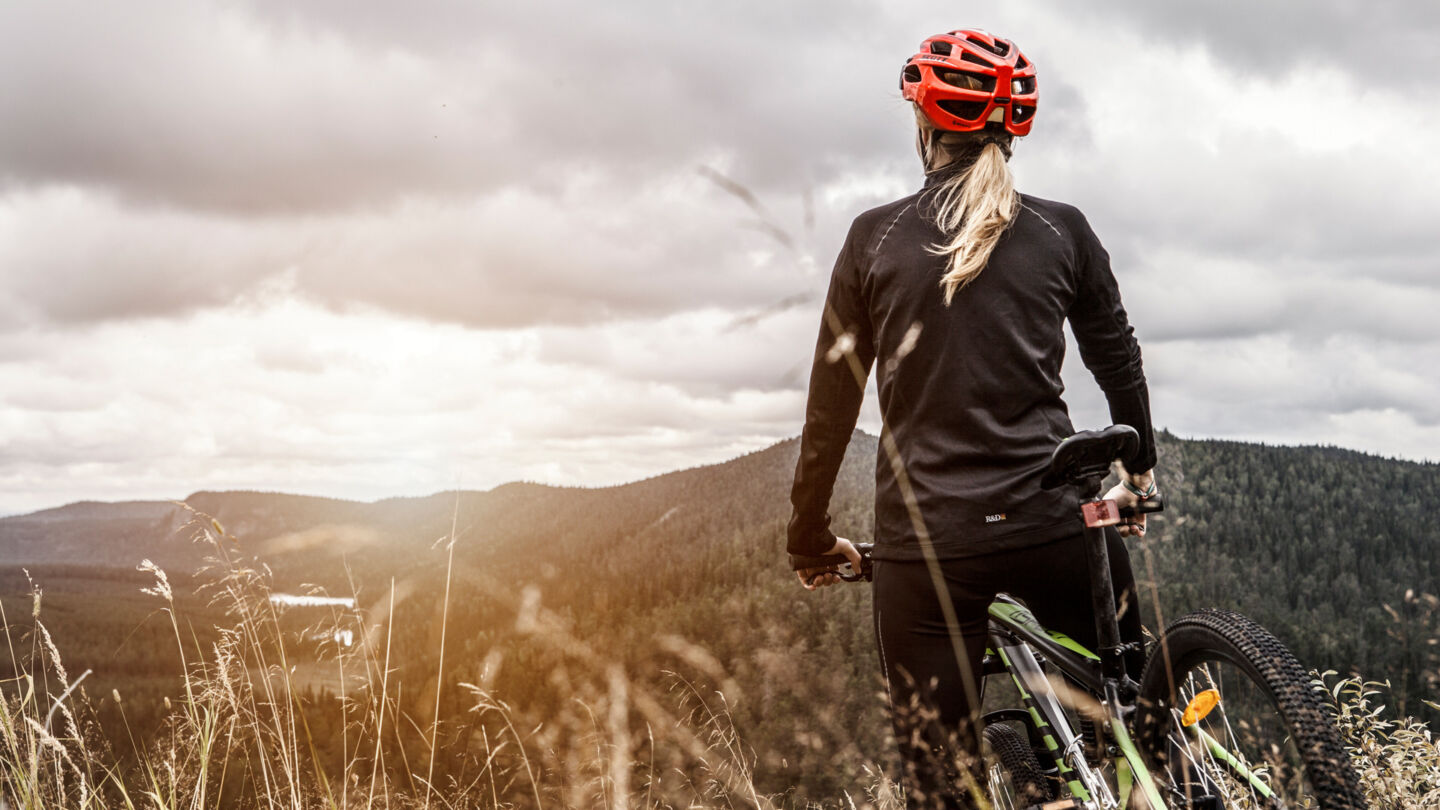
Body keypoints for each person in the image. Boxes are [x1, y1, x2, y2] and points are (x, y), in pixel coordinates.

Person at [785, 29, 1158, 809]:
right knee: (1142, 721)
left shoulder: (874, 237)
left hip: (930, 549)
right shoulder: (1063, 228)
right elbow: (1117, 358)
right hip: (1061, 524)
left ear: (925, 124)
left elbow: (832, 406)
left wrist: (810, 537)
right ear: (1009, 128)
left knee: (941, 787)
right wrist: (1140, 470)